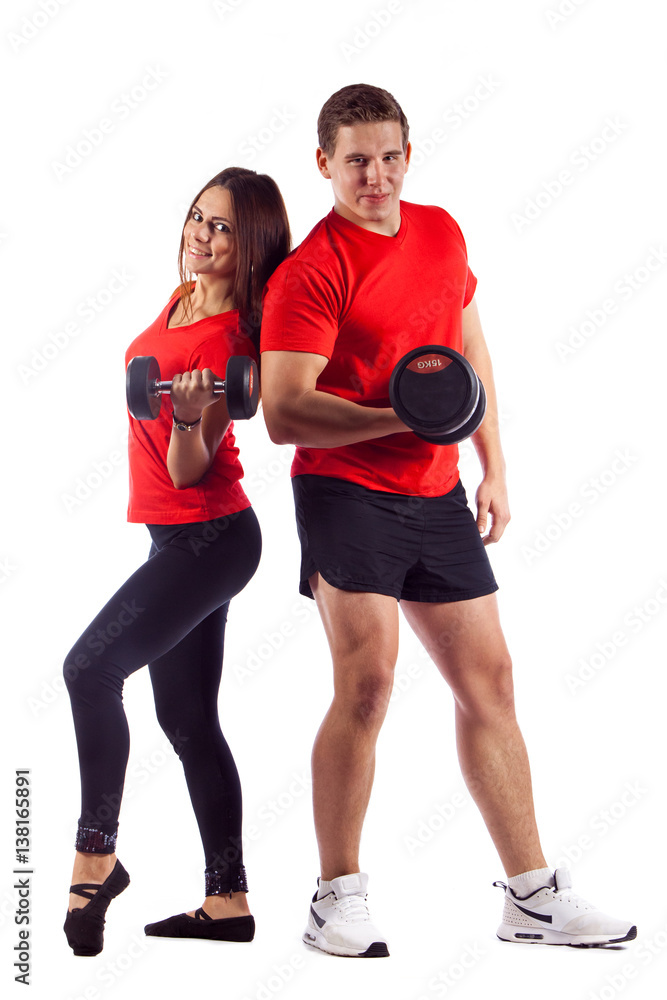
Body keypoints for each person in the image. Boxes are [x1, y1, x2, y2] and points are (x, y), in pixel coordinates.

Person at [259, 84, 636, 957]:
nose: (376, 176)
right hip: (346, 489)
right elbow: (284, 411)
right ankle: (334, 897)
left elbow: (468, 353)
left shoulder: (439, 231)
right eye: (356, 160)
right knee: (368, 683)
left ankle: (532, 895)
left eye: (390, 156)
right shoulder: (311, 270)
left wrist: (491, 463)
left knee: (491, 684)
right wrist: (403, 416)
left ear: (407, 154)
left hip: (435, 493)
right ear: (323, 164)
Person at [63, 166, 291, 956]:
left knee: (89, 670)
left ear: (252, 242)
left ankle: (96, 857)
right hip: (176, 538)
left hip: (212, 537)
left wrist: (192, 416)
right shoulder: (183, 296)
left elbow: (191, 468)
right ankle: (227, 901)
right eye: (199, 216)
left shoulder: (235, 342)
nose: (202, 233)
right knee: (187, 720)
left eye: (224, 227)